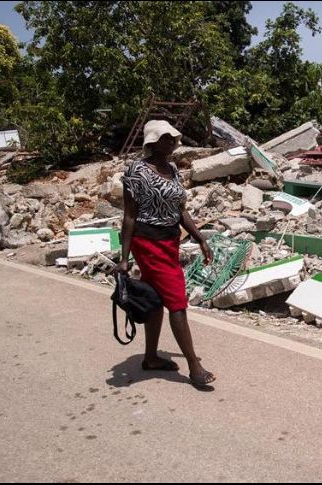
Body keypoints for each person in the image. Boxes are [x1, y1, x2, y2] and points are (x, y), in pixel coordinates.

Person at [115, 119, 216, 390]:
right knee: (177, 300)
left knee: (155, 299)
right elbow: (129, 216)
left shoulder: (172, 169)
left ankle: (150, 357)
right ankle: (194, 366)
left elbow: (180, 210)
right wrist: (124, 258)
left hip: (170, 242)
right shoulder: (136, 172)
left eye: (174, 138)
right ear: (152, 141)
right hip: (148, 243)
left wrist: (200, 238)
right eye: (166, 138)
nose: (173, 142)